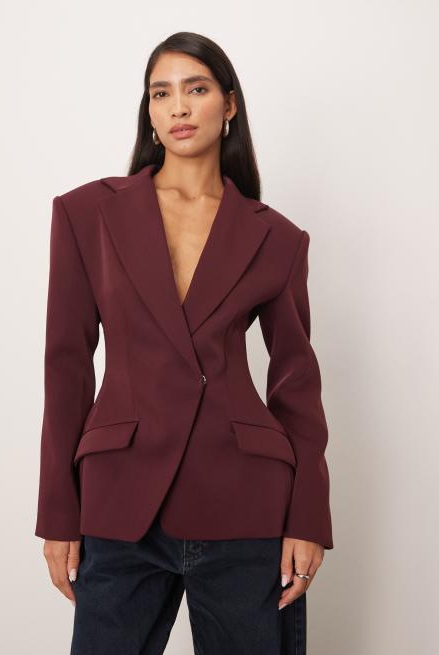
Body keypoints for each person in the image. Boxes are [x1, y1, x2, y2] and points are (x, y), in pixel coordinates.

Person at [35, 31, 333, 655]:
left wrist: (308, 517)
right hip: (120, 499)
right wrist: (58, 512)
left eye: (196, 89)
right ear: (148, 111)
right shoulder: (86, 214)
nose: (178, 107)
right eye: (161, 93)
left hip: (245, 501)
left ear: (229, 104)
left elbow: (296, 383)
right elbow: (67, 369)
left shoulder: (278, 238)